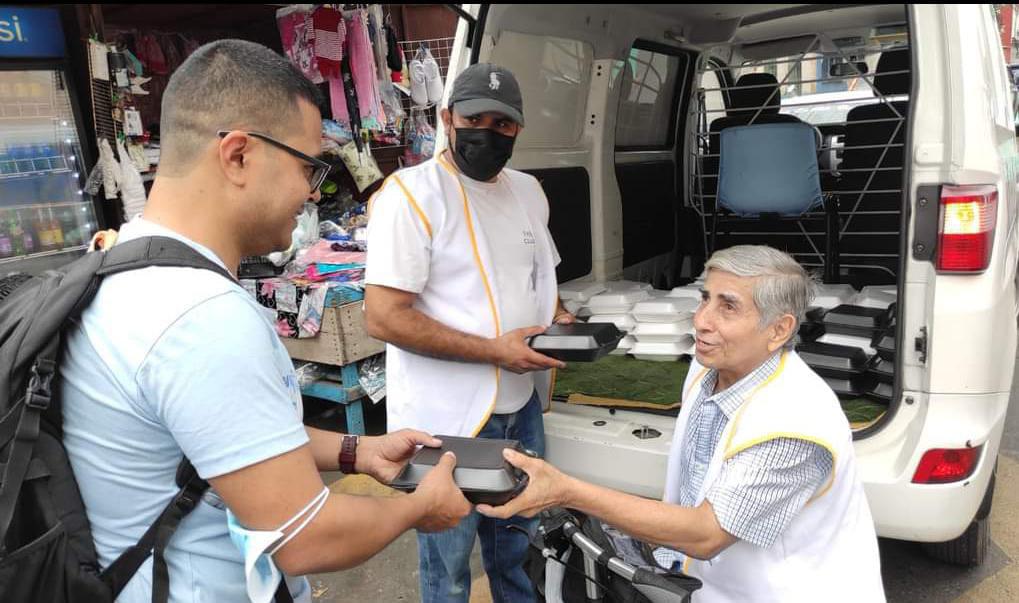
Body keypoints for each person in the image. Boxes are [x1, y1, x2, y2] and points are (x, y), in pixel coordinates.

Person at [60, 39, 471, 603]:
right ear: (237, 155)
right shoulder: (200, 316)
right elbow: (303, 537)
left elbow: (226, 440)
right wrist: (421, 508)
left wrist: (357, 450)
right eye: (307, 165)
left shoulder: (124, 264)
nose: (312, 190)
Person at [478, 246, 886, 602]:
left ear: (779, 330)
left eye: (728, 307)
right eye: (705, 298)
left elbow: (707, 533)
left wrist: (566, 491)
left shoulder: (793, 423)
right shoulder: (712, 364)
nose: (702, 320)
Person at [364, 63, 574, 603]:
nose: (487, 132)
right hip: (446, 423)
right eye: (473, 118)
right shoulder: (409, 195)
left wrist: (563, 323)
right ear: (446, 118)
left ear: (517, 130)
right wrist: (495, 352)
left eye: (501, 124)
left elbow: (541, 279)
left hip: (521, 405)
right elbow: (384, 317)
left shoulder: (529, 191)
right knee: (450, 565)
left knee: (517, 549)